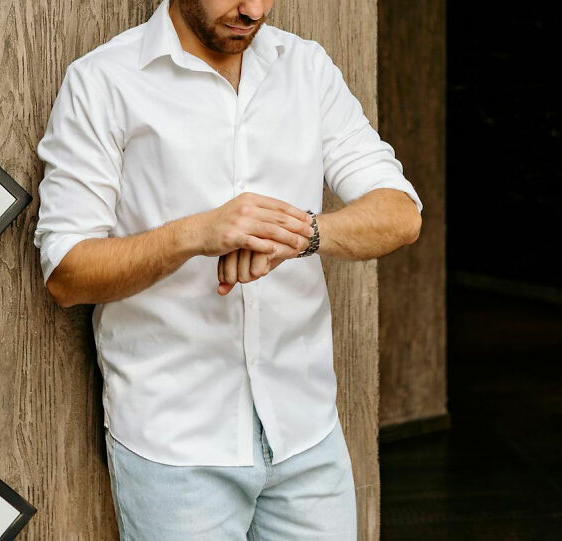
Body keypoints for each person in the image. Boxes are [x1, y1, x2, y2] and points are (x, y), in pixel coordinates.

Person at [33, 0, 423, 538]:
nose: (253, 9)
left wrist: (303, 233)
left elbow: (400, 212)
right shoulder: (102, 81)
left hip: (307, 433)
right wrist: (196, 233)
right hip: (175, 447)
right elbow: (67, 273)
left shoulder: (306, 67)